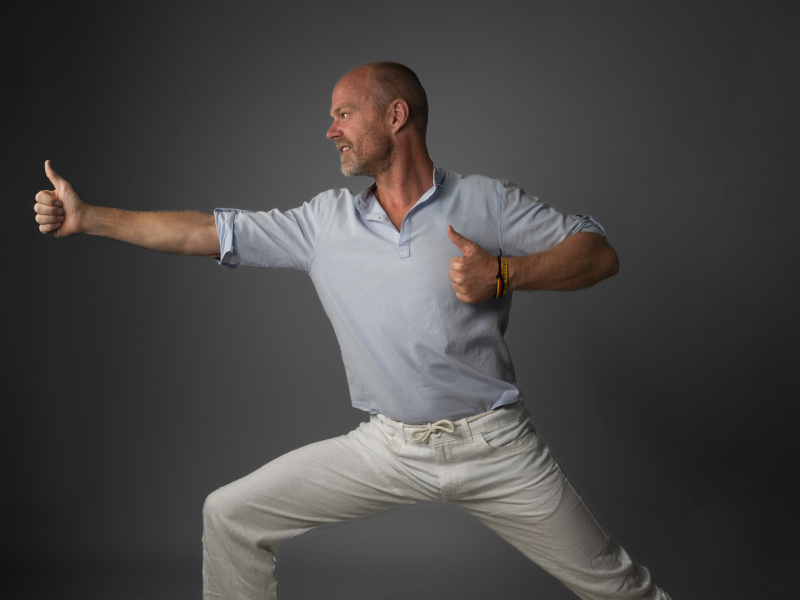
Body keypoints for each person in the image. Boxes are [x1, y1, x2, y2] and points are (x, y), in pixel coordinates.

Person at [34, 62, 670, 600]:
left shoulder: (486, 202)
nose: (330, 130)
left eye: (343, 114)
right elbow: (207, 232)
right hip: (388, 448)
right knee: (229, 515)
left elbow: (598, 253)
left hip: (495, 446)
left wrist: (504, 273)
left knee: (622, 589)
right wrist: (89, 219)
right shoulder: (324, 224)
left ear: (395, 116)